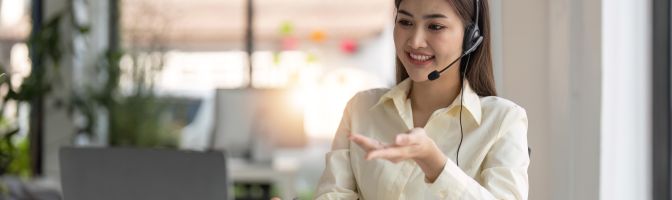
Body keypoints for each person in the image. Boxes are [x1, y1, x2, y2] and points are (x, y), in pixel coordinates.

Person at [314, 0, 529, 199]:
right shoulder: (361, 108)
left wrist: (434, 162)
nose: (415, 42)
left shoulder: (504, 119)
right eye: (405, 22)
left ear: (470, 36)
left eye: (435, 26)